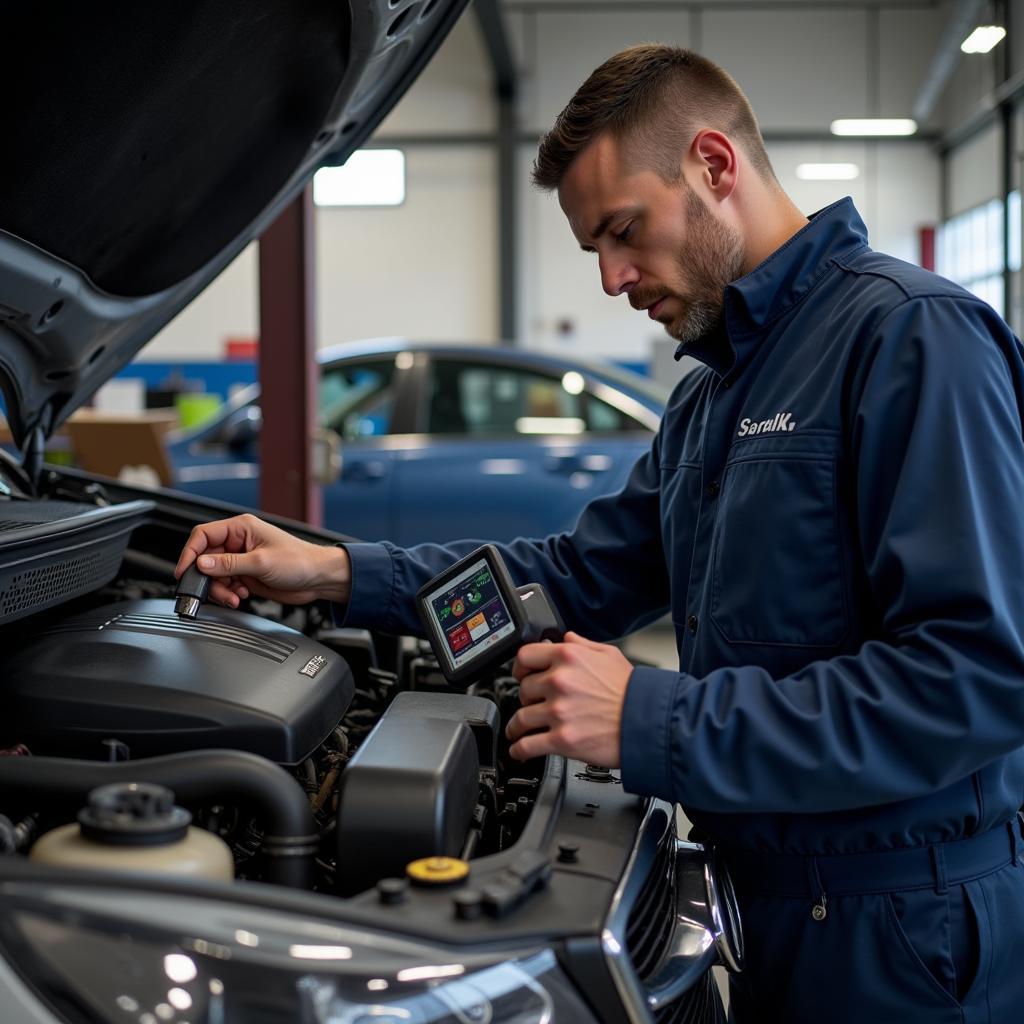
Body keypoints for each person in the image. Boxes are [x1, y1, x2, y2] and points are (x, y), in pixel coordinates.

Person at [176, 45, 1024, 1023]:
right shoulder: (713, 395)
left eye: (625, 231)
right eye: (595, 252)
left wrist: (649, 719)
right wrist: (333, 573)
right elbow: (576, 576)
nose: (615, 279)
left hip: (901, 930)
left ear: (713, 165)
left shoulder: (911, 340)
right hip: (770, 902)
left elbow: (977, 677)